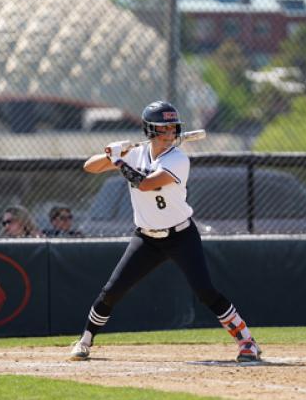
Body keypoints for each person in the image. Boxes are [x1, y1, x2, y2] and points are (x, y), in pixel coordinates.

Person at [70, 101, 261, 362]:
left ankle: (247, 342)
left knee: (205, 290)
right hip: (146, 237)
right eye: (164, 128)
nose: (171, 133)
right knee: (112, 290)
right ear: (150, 130)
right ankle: (85, 341)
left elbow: (146, 184)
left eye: (173, 128)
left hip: (181, 235)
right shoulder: (135, 153)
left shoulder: (178, 159)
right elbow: (88, 167)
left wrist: (118, 162)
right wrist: (109, 155)